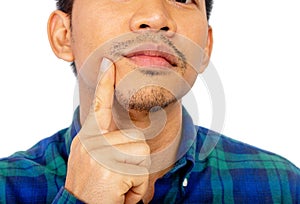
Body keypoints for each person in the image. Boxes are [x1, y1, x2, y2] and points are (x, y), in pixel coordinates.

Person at [0, 0, 299, 203]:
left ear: (205, 48)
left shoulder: (283, 187)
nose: (156, 17)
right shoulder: (7, 188)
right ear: (64, 36)